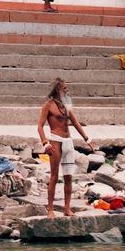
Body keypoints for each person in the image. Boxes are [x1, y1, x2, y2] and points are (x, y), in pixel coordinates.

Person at [38, 77, 94, 218]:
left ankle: (66, 208)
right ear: (58, 89)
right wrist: (45, 143)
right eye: (64, 88)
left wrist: (87, 139)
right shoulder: (48, 105)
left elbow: (75, 122)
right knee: (54, 177)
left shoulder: (66, 105)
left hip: (68, 141)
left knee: (68, 177)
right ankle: (50, 209)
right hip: (55, 141)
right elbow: (40, 126)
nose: (67, 90)